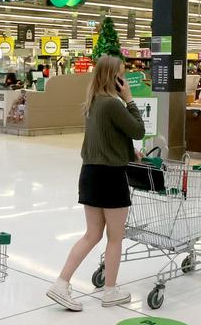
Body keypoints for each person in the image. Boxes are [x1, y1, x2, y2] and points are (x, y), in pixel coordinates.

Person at [47, 55, 144, 311]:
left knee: (92, 234)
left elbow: (105, 139)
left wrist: (127, 152)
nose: (124, 80)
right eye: (122, 75)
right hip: (111, 176)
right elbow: (138, 131)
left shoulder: (92, 104)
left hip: (90, 174)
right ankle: (110, 292)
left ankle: (61, 283)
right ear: (114, 78)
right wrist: (130, 100)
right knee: (115, 237)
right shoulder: (113, 104)